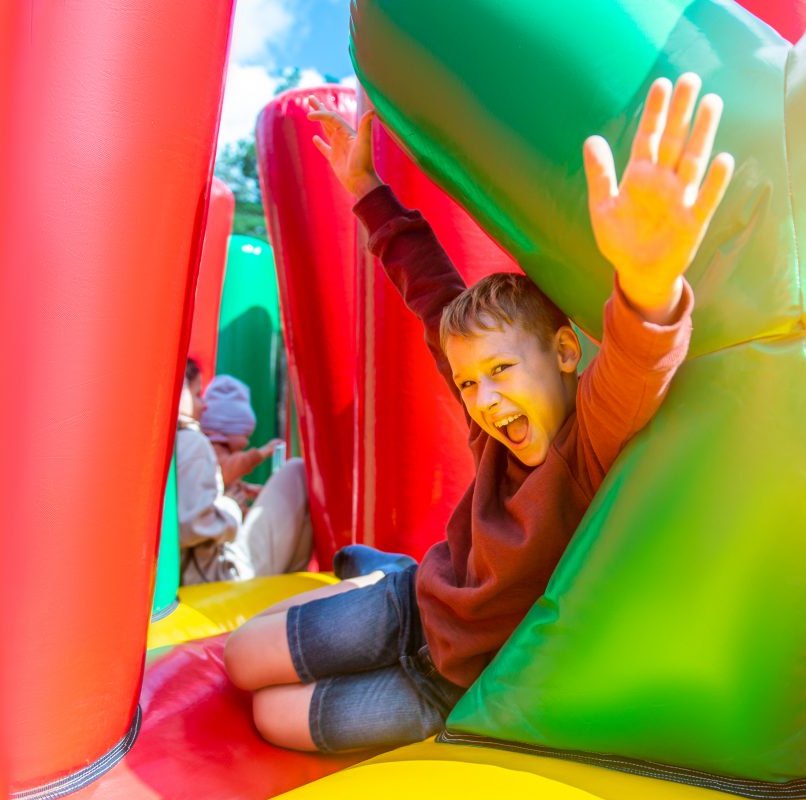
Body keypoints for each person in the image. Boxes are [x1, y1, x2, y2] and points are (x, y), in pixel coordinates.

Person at [223, 72, 734, 753]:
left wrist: (650, 283)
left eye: (500, 371)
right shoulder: (491, 428)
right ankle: (389, 574)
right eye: (469, 384)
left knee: (273, 718)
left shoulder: (588, 445)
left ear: (561, 352)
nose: (485, 400)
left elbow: (640, 360)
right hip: (412, 610)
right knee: (239, 660)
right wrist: (367, 194)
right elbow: (434, 294)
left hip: (445, 689)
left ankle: (380, 576)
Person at [175, 361, 313, 584]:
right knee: (296, 471)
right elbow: (193, 525)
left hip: (202, 571)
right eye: (198, 394)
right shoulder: (190, 441)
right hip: (218, 576)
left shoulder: (168, 445)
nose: (204, 406)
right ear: (181, 392)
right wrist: (231, 508)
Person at [200, 374, 283, 512]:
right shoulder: (213, 450)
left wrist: (243, 488)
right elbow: (226, 471)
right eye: (245, 435)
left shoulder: (222, 451)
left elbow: (224, 483)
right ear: (226, 428)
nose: (246, 443)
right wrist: (261, 453)